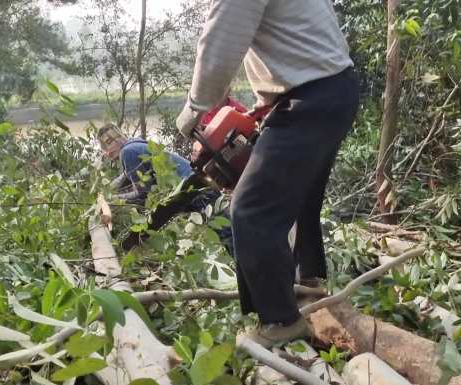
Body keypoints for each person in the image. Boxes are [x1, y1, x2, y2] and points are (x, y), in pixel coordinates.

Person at [176, 0, 360, 348]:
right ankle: (309, 284)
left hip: (309, 98)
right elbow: (306, 42)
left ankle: (281, 320)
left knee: (250, 210)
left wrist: (195, 106)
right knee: (303, 199)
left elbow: (220, 44)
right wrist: (266, 103)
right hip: (335, 88)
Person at [97, 123, 235, 252]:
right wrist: (105, 191)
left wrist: (113, 200)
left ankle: (249, 271)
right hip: (200, 182)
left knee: (228, 236)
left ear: (119, 138)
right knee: (230, 231)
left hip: (194, 190)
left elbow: (142, 194)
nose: (109, 150)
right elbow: (125, 176)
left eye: (109, 143)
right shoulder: (135, 145)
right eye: (106, 146)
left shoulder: (127, 153)